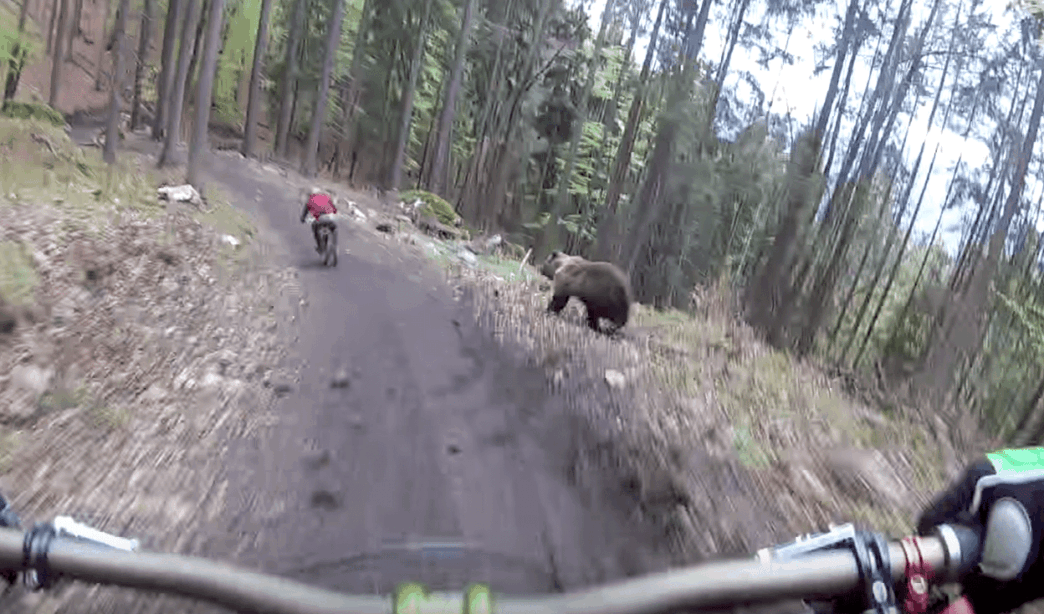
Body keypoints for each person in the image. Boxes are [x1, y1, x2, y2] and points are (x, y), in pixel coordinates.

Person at [917, 447, 1044, 614]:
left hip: (998, 483)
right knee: (976, 601)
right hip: (1022, 534)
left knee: (919, 551)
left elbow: (986, 473)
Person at [299, 187, 338, 253]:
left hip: (320, 220)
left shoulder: (310, 200)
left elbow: (305, 212)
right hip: (330, 218)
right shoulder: (327, 197)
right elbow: (334, 207)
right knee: (333, 228)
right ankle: (335, 244)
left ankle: (320, 246)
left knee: (315, 229)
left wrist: (302, 219)